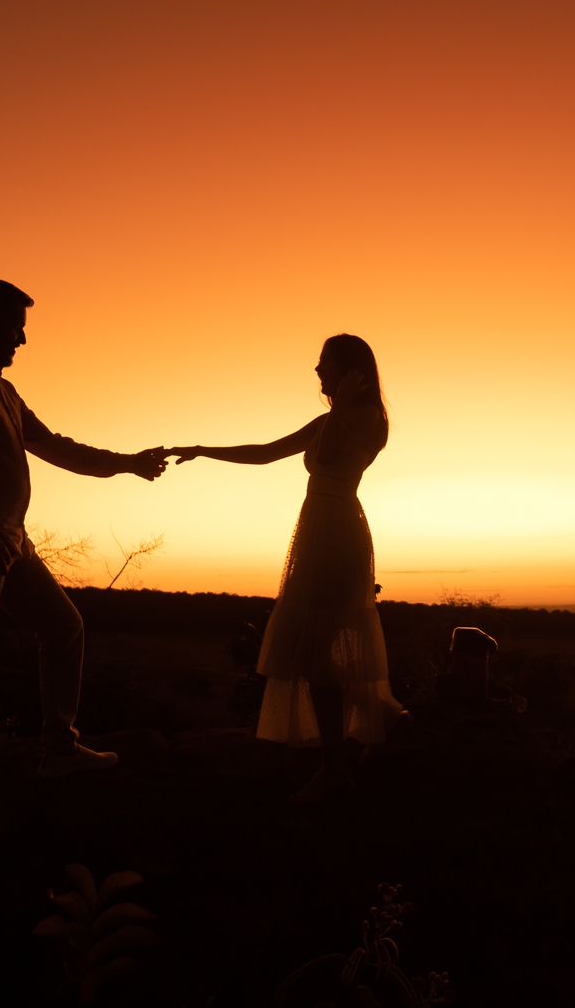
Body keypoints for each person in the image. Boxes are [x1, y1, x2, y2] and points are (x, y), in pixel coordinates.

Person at [0, 278, 168, 844]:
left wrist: (129, 463)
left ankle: (58, 749)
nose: (22, 339)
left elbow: (58, 448)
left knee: (63, 626)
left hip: (9, 542)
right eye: (14, 325)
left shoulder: (3, 390)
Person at [166, 334, 400, 802]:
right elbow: (268, 451)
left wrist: (344, 405)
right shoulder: (330, 419)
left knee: (324, 643)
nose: (317, 371)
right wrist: (204, 450)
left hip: (338, 534)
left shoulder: (366, 419)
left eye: (325, 363)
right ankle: (341, 756)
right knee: (312, 647)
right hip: (317, 531)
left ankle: (345, 757)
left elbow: (336, 456)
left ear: (352, 371)